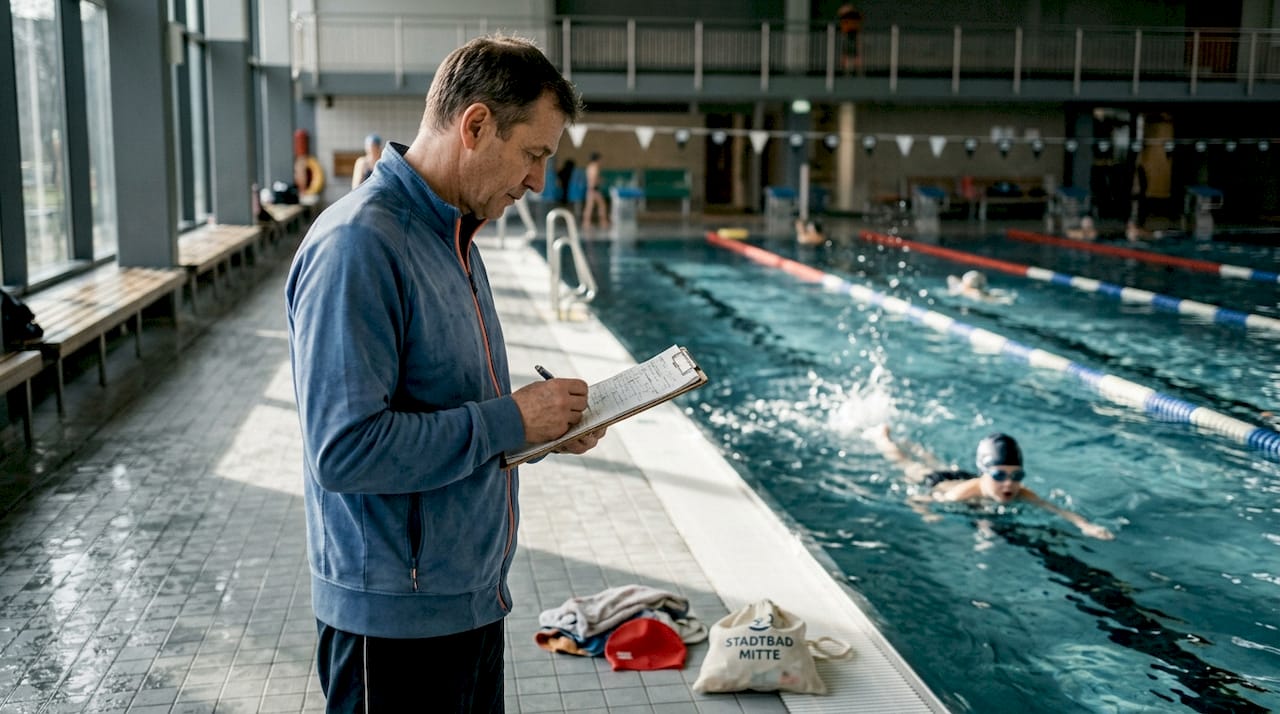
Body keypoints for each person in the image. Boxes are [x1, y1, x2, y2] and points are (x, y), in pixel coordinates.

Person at [286, 34, 605, 713]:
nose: (537, 182)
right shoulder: (359, 246)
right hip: (393, 631)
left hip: (465, 605)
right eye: (533, 155)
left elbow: (452, 414)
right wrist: (510, 418)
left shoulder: (453, 236)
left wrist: (539, 429)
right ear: (477, 125)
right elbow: (344, 453)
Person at [873, 426, 1114, 540]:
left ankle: (912, 443)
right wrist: (928, 514)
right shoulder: (960, 495)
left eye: (1016, 476)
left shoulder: (1020, 492)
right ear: (986, 473)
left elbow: (1058, 510)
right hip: (942, 483)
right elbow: (917, 498)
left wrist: (1086, 526)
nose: (1009, 484)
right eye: (1000, 476)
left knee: (933, 459)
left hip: (969, 477)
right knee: (907, 463)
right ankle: (883, 439)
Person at [946, 269, 1014, 304]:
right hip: (981, 293)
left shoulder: (972, 292)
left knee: (990, 294)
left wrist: (1002, 300)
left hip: (980, 296)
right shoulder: (971, 291)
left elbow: (989, 300)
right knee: (990, 293)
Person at [583, 151, 610, 230]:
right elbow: (594, 178)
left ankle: (586, 223)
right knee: (602, 205)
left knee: (589, 207)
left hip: (590, 189)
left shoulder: (589, 166)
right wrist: (600, 181)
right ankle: (603, 222)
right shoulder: (594, 167)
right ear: (597, 159)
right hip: (594, 189)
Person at [837, 4, 863, 75]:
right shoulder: (845, 16)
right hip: (847, 34)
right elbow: (840, 13)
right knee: (846, 52)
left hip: (854, 34)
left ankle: (857, 70)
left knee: (856, 53)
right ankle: (845, 70)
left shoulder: (855, 15)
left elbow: (860, 19)